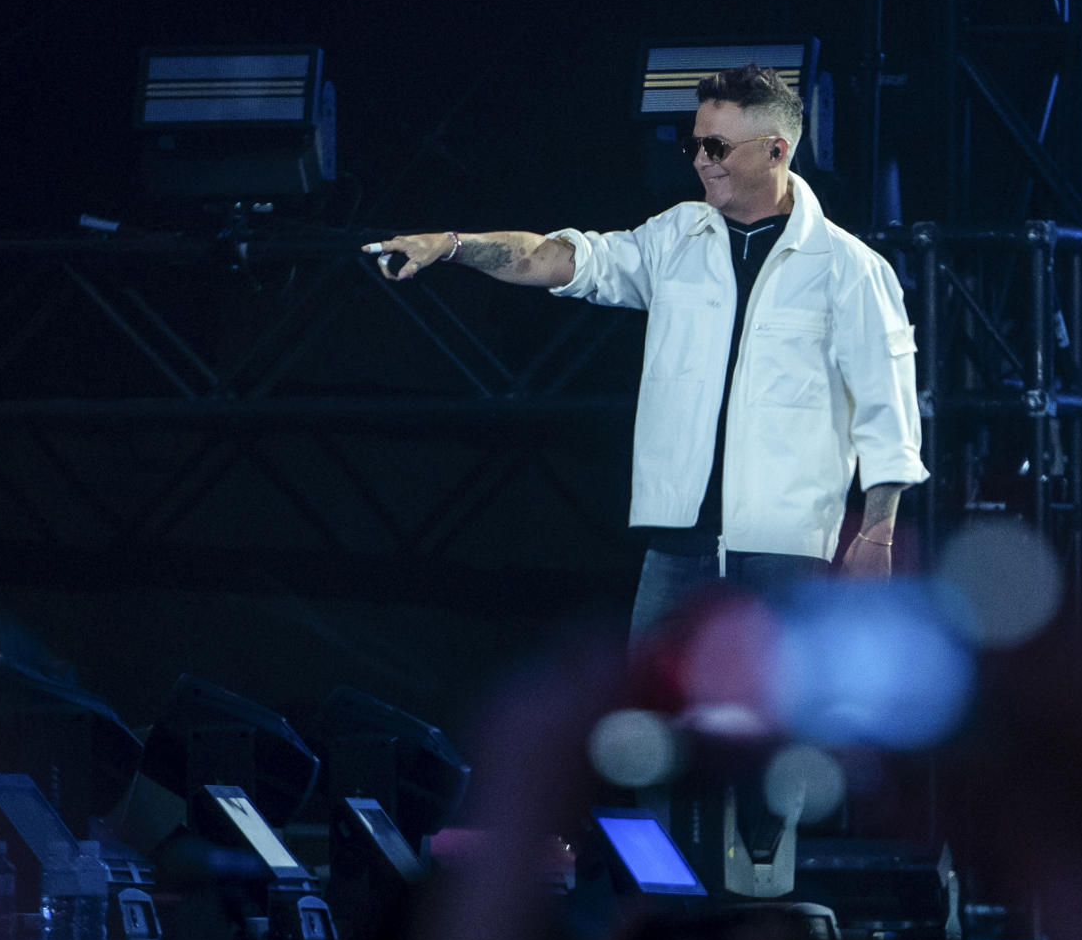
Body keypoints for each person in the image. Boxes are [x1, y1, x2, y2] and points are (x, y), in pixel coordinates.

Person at [362, 65, 927, 644]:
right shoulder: (674, 237)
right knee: (650, 724)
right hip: (677, 549)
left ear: (776, 150)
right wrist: (454, 247)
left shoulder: (849, 268)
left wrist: (877, 535)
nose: (700, 159)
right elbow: (557, 260)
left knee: (776, 726)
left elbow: (888, 411)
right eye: (694, 144)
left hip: (787, 554)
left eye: (717, 146)